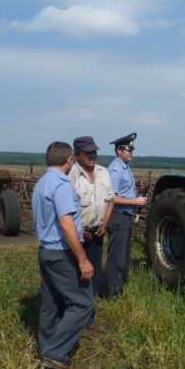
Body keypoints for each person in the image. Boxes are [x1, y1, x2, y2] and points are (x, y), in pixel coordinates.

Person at [32, 141, 94, 369]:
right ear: (69, 160)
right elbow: (67, 225)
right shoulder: (62, 185)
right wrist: (82, 259)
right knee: (82, 303)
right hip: (60, 253)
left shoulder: (41, 184)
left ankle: (46, 351)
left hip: (45, 250)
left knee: (51, 305)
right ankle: (55, 353)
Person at [68, 136, 115, 330]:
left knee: (93, 276)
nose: (93, 155)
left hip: (97, 233)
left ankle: (89, 317)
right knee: (74, 275)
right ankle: (71, 316)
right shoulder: (71, 175)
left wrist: (105, 224)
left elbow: (110, 200)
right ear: (77, 155)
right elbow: (67, 209)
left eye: (94, 151)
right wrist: (81, 231)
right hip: (78, 235)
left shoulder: (103, 173)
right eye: (88, 152)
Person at [106, 132, 148, 297]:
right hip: (118, 216)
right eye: (127, 149)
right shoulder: (116, 170)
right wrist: (135, 202)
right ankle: (112, 293)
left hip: (125, 217)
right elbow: (112, 198)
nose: (131, 152)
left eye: (132, 149)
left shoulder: (125, 168)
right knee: (116, 257)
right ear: (118, 151)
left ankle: (120, 289)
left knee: (124, 257)